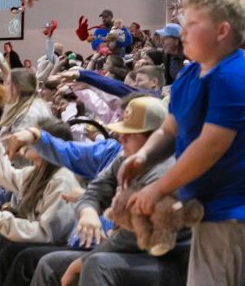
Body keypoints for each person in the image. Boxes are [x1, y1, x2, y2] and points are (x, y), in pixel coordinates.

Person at [119, 0, 245, 286]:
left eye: (193, 24)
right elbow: (170, 129)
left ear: (222, 31)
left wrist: (157, 189)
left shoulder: (235, 77)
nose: (183, 31)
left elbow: (210, 147)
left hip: (236, 210)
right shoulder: (190, 73)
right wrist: (143, 157)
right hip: (206, 205)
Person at [27, 96, 176, 286]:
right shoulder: (125, 158)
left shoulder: (165, 172)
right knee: (49, 264)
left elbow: (135, 236)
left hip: (164, 258)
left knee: (97, 264)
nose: (121, 138)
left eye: (131, 135)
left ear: (156, 138)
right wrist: (87, 211)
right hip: (127, 248)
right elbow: (97, 190)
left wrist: (81, 262)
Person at [0, 122, 84, 286]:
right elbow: (3, 173)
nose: (26, 141)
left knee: (25, 257)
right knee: (9, 252)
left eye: (33, 138)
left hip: (67, 244)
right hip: (51, 240)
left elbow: (50, 235)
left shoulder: (63, 179)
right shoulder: (35, 173)